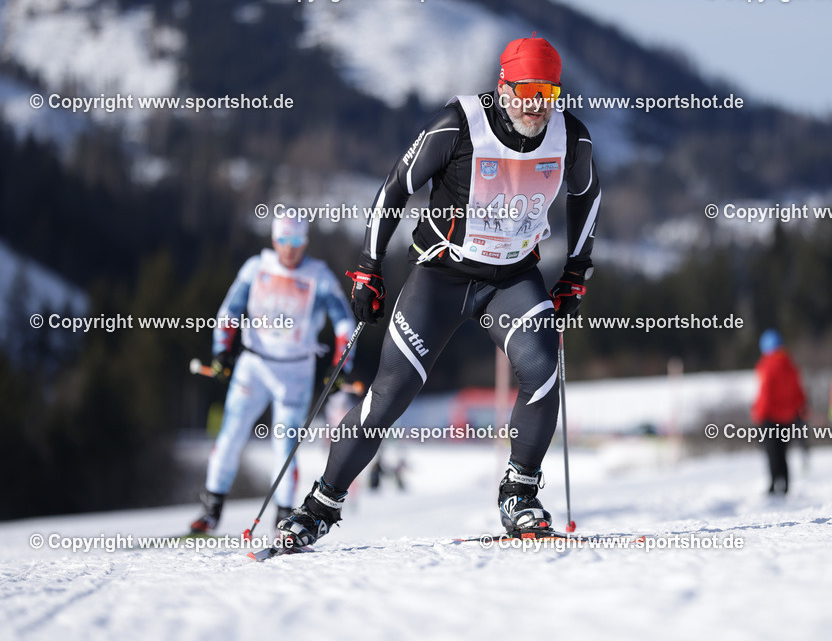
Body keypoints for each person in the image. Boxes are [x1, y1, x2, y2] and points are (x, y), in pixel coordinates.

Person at [278, 34, 601, 546]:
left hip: (512, 278)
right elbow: (395, 188)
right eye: (527, 91)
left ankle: (519, 495)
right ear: (504, 87)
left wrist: (576, 273)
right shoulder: (460, 124)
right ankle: (320, 506)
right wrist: (369, 268)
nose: (537, 105)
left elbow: (587, 195)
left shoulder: (571, 137)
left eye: (549, 93)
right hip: (441, 277)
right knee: (389, 395)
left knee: (542, 370)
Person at [189, 216, 356, 533]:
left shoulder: (318, 276)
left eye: (296, 242)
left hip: (295, 372)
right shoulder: (256, 267)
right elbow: (229, 311)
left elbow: (345, 323)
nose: (290, 249)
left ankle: (283, 517)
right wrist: (222, 351)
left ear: (305, 242)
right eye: (284, 241)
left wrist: (341, 366)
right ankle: (210, 511)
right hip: (254, 366)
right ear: (274, 240)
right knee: (230, 435)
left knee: (284, 445)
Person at [751, 329, 807, 496]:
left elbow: (765, 393)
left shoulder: (766, 366)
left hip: (770, 416)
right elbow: (799, 391)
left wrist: (759, 413)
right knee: (783, 452)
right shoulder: (790, 365)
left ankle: (774, 484)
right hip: (788, 417)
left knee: (772, 452)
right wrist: (801, 409)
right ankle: (786, 484)